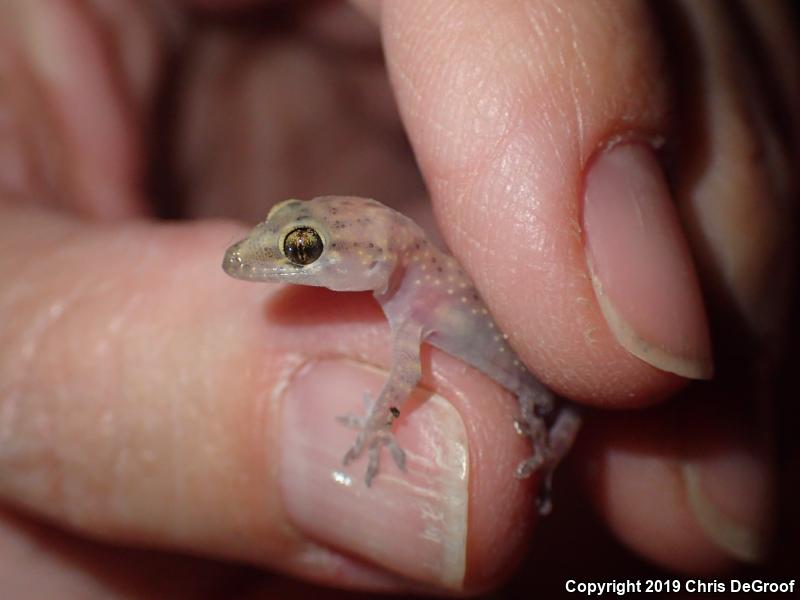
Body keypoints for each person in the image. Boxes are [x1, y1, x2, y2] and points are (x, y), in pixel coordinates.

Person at [0, 0, 796, 595]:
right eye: (290, 235)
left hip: (556, 398)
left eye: (301, 252)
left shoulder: (414, 306)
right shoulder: (408, 292)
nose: (276, 261)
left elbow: (400, 385)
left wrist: (383, 431)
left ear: (368, 258)